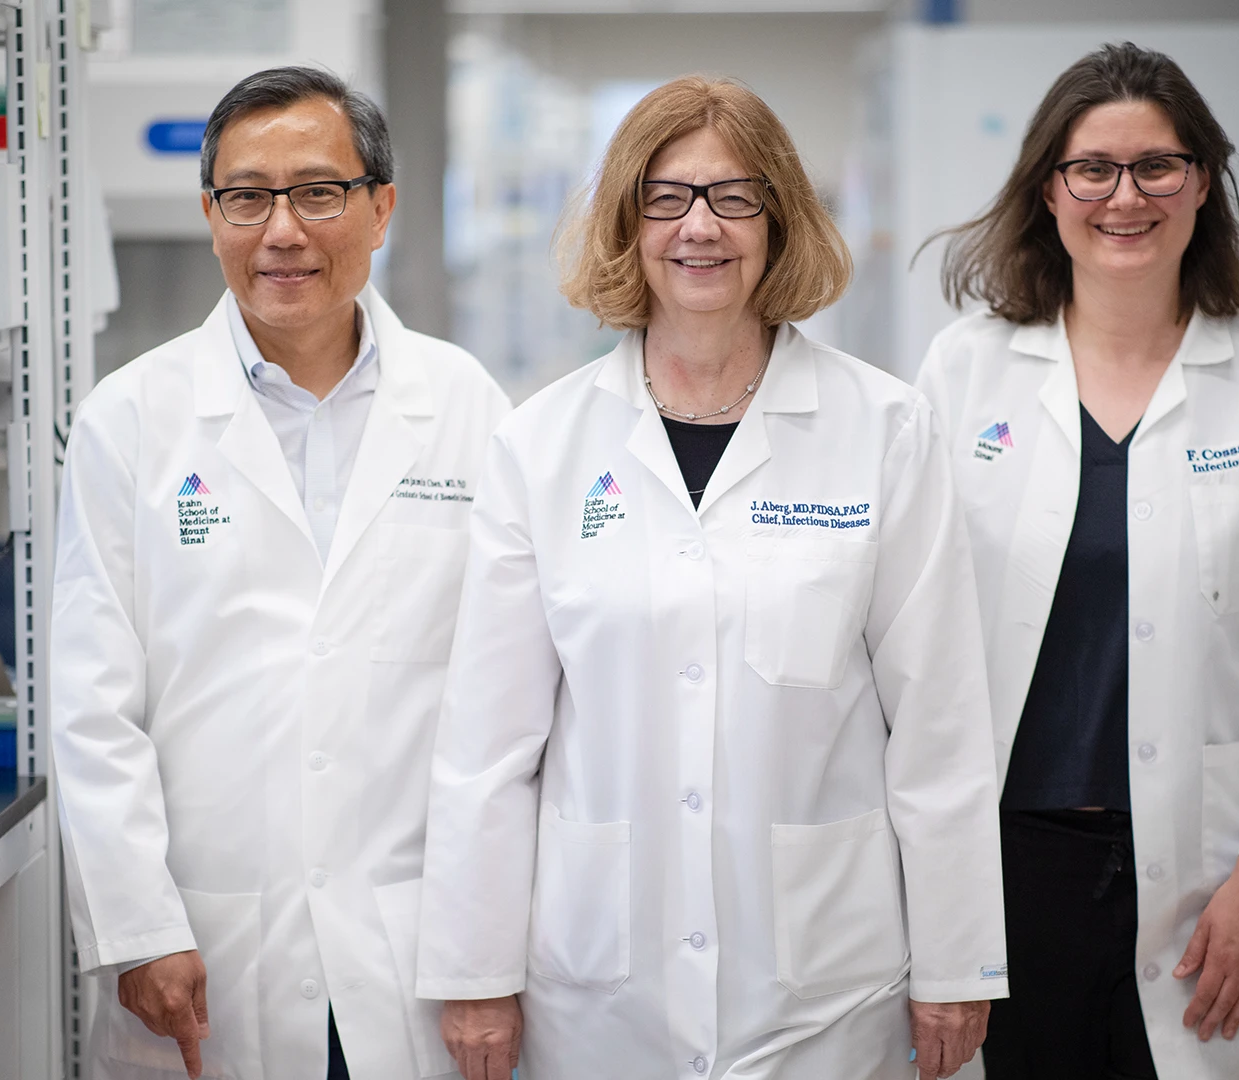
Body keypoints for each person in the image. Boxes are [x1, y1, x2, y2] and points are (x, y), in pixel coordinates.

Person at [414, 76, 1008, 1080]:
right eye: (666, 198)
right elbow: (488, 745)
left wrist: (958, 961)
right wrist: (474, 972)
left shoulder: (884, 430)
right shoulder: (542, 446)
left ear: (780, 220)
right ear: (627, 222)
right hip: (601, 985)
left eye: (735, 197)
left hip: (824, 981)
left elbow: (940, 726)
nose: (700, 227)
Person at [914, 42, 1239, 1080]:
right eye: (1093, 169)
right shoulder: (964, 371)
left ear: (1202, 183)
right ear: (1049, 189)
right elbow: (911, 639)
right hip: (1005, 870)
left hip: (1215, 872)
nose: (1126, 198)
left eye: (1158, 166)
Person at [50, 66, 509, 1080]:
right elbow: (91, 707)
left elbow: (509, 700)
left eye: (318, 192)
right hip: (210, 947)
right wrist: (139, 928)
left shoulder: (467, 406)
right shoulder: (130, 420)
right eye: (248, 197)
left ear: (380, 207)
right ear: (210, 216)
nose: (283, 231)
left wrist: (492, 948)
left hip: (412, 947)